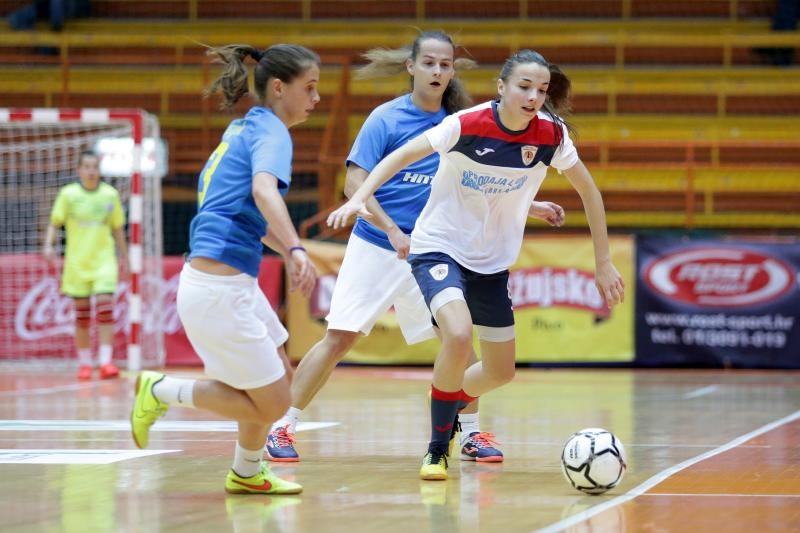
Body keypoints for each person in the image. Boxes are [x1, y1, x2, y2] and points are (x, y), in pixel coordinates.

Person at [266, 31, 561, 464]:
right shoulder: (385, 119)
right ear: (411, 67)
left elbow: (482, 183)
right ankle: (281, 425)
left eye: (445, 64)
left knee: (458, 338)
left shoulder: (463, 120)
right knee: (340, 337)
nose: (438, 71)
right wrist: (391, 230)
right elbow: (354, 185)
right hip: (379, 245)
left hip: (435, 248)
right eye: (429, 63)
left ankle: (469, 433)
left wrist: (530, 206)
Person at [328, 49, 625, 480]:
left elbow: (590, 194)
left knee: (501, 372)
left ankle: (444, 399)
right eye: (524, 87)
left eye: (541, 90)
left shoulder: (551, 135)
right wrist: (358, 197)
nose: (533, 97)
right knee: (457, 333)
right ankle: (436, 449)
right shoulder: (467, 123)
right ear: (501, 87)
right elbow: (400, 156)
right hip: (438, 247)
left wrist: (603, 263)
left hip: (491, 262)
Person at [130, 42, 320, 495]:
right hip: (218, 290)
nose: (316, 98)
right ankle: (160, 390)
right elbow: (263, 192)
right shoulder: (272, 132)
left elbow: (246, 215)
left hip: (229, 283)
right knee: (273, 403)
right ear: (279, 88)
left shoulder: (244, 127)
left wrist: (288, 248)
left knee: (279, 376)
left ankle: (247, 472)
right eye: (310, 88)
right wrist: (295, 248)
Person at [43, 150, 128, 380]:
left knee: (105, 306)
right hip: (77, 263)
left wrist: (126, 258)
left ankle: (106, 362)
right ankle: (85, 363)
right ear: (79, 169)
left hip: (104, 261)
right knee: (81, 314)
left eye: (95, 167)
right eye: (87, 167)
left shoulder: (110, 195)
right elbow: (54, 222)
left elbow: (118, 230)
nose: (91, 171)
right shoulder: (68, 194)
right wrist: (49, 245)